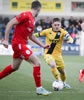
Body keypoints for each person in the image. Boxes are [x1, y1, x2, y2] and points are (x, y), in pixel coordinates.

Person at [1, 0, 51, 95]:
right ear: (39, 9)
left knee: (14, 67)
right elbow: (10, 23)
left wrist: (43, 45)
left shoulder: (32, 20)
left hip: (21, 45)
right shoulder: (25, 15)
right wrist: (6, 39)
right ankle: (39, 89)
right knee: (37, 62)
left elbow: (31, 36)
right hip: (19, 44)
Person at [34, 18, 73, 88]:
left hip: (58, 56)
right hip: (48, 54)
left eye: (58, 25)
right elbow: (36, 35)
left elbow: (69, 37)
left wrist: (70, 40)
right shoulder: (47, 31)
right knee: (52, 65)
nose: (57, 26)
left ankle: (64, 82)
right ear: (52, 25)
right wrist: (26, 37)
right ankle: (58, 81)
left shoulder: (63, 32)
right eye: (55, 25)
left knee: (62, 72)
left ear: (60, 25)